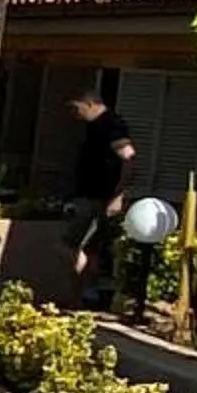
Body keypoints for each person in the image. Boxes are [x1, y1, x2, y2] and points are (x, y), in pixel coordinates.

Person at [64, 89, 135, 299]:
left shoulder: (110, 125)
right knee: (89, 245)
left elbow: (129, 159)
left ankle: (82, 287)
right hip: (89, 194)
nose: (74, 114)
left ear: (89, 104)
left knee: (71, 244)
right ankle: (83, 291)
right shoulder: (94, 127)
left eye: (76, 108)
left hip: (99, 196)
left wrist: (119, 195)